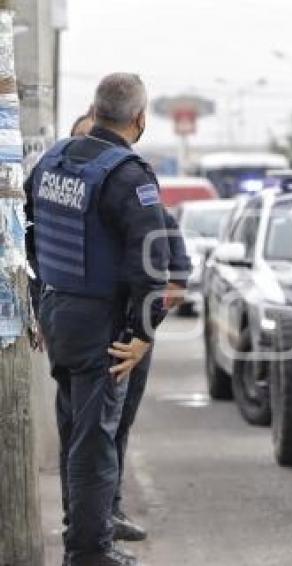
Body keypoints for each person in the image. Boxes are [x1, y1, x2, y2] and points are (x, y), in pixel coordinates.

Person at [25, 73, 171, 566]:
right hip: (101, 326)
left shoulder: (54, 160)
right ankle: (88, 552)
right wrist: (142, 337)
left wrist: (40, 300)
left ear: (94, 107)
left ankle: (82, 539)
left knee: (77, 433)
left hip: (59, 312)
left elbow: (26, 230)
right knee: (96, 443)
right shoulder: (128, 176)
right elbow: (151, 266)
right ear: (139, 119)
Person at [67, 107, 191, 544]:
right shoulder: (73, 194)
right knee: (87, 431)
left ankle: (105, 514)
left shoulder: (131, 187)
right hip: (95, 326)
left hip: (128, 330)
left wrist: (148, 322)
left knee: (112, 429)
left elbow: (170, 257)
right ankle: (85, 528)